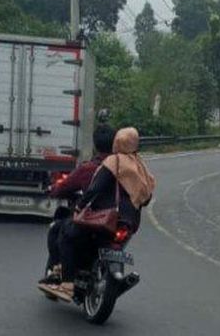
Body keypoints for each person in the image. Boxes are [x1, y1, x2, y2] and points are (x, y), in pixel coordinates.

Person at [41, 127, 156, 300]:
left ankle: (67, 284)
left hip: (104, 219)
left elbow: (96, 188)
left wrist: (81, 206)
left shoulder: (113, 162)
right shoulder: (140, 166)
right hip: (128, 223)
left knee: (66, 232)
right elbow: (146, 198)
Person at [41, 124, 116, 283]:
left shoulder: (89, 168)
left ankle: (58, 274)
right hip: (118, 221)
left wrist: (52, 190)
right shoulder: (126, 168)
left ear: (95, 146)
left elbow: (64, 187)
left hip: (93, 220)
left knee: (58, 230)